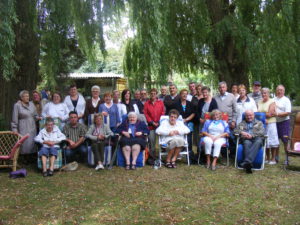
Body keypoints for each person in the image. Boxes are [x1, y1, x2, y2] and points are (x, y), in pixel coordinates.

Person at [11, 90, 37, 155]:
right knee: (24, 142)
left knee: (32, 142)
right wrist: (14, 129)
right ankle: (22, 158)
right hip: (23, 126)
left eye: (28, 96)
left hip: (32, 125)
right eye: (25, 96)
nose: (27, 97)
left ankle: (30, 158)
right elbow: (14, 117)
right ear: (21, 98)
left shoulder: (31, 104)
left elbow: (35, 115)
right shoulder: (17, 105)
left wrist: (38, 117)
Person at [257, 88, 279, 164]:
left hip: (271, 124)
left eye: (265, 93)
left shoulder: (272, 101)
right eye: (262, 93)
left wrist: (261, 115)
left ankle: (273, 159)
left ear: (268, 94)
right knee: (265, 140)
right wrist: (264, 115)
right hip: (262, 124)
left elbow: (270, 114)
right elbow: (256, 114)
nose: (264, 94)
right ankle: (267, 158)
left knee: (272, 140)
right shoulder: (259, 102)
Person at [174, 89, 196, 162]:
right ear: (180, 95)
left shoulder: (190, 103)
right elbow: (174, 114)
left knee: (188, 138)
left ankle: (189, 154)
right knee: (179, 137)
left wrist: (186, 119)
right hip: (178, 123)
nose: (184, 95)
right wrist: (180, 120)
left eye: (186, 94)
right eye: (183, 94)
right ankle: (178, 153)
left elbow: (193, 113)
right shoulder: (176, 104)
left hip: (188, 122)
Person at [144, 88, 165, 159]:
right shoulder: (147, 103)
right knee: (151, 141)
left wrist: (158, 122)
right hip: (151, 126)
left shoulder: (160, 103)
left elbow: (163, 112)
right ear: (149, 94)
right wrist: (152, 122)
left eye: (154, 93)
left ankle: (161, 155)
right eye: (151, 93)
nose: (153, 95)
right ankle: (152, 156)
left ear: (156, 94)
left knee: (162, 141)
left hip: (159, 125)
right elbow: (145, 114)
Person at [273, 84, 292, 164]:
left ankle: (287, 159)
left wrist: (277, 114)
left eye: (281, 90)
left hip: (284, 123)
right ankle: (276, 158)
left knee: (285, 141)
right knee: (276, 141)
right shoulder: (273, 99)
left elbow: (287, 112)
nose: (279, 91)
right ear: (276, 91)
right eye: (278, 90)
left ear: (284, 91)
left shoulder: (286, 100)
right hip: (275, 122)